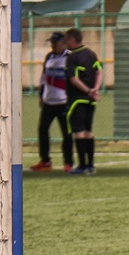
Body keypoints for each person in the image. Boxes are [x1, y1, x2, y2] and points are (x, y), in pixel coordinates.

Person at [33, 32, 73, 173]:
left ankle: (68, 162)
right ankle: (45, 161)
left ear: (63, 43)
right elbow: (44, 77)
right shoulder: (49, 56)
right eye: (52, 43)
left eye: (55, 43)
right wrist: (41, 95)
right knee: (43, 130)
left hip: (64, 102)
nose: (53, 46)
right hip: (49, 102)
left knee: (67, 133)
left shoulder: (70, 57)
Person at [64, 27, 102, 175]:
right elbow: (100, 72)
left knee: (79, 132)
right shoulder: (91, 54)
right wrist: (95, 89)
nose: (66, 43)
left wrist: (87, 90)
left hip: (77, 99)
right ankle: (91, 165)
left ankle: (82, 165)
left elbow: (74, 79)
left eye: (67, 40)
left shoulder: (72, 57)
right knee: (88, 131)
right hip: (90, 100)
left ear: (72, 39)